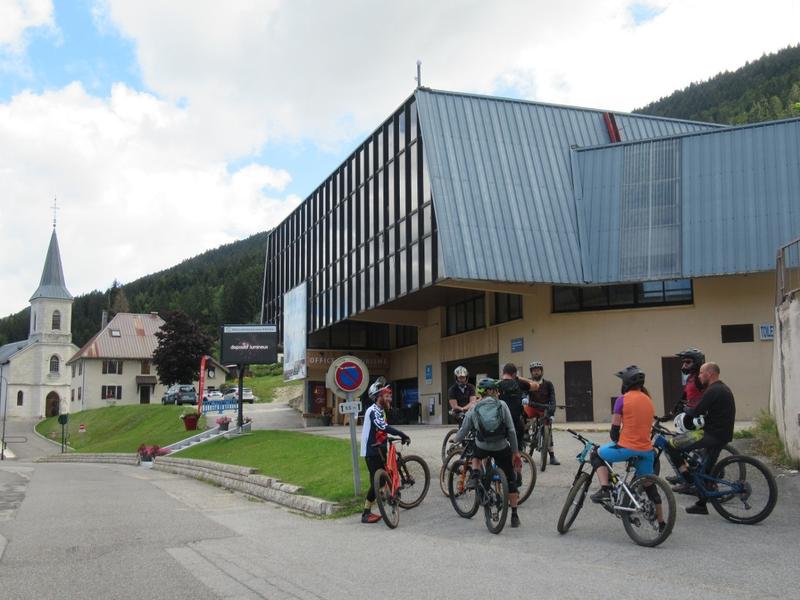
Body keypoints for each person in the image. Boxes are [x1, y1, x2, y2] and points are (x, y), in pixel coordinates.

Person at [589, 366, 667, 532]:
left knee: (596, 454)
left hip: (627, 447)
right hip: (646, 451)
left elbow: (614, 432)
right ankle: (662, 523)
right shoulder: (649, 400)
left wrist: (618, 441)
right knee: (649, 485)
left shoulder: (622, 399)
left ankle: (605, 489)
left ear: (626, 383)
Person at [452, 377, 525, 527]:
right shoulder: (502, 405)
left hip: (483, 446)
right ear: (491, 391)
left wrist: (455, 440)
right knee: (511, 480)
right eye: (496, 390)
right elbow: (511, 430)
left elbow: (464, 430)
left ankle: (475, 475)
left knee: (476, 454)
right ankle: (515, 516)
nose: (498, 393)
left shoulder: (474, 407)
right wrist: (515, 452)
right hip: (501, 447)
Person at [666, 362, 736, 515]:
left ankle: (687, 479)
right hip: (722, 435)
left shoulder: (713, 390)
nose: (699, 376)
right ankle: (701, 504)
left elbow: (696, 410)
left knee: (671, 445)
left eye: (701, 373)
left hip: (710, 435)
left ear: (710, 374)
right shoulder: (723, 388)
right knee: (705, 470)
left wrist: (684, 409)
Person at [359, 378, 411, 523]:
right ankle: (366, 513)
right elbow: (383, 427)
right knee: (376, 483)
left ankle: (386, 496)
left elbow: (380, 431)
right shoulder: (373, 411)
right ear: (377, 397)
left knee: (381, 480)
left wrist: (386, 439)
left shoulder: (381, 410)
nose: (389, 397)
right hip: (372, 451)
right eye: (385, 395)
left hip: (379, 448)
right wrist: (401, 434)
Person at [497, 363, 539, 453]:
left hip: (500, 421)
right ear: (514, 374)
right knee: (519, 436)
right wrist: (520, 378)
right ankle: (518, 453)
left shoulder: (497, 385)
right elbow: (536, 386)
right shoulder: (519, 383)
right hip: (515, 421)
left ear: (503, 373)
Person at [524, 360, 559, 465]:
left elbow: (553, 399)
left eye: (538, 370)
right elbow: (523, 393)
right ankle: (525, 435)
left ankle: (552, 456)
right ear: (531, 372)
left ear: (542, 372)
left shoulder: (548, 384)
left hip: (544, 409)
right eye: (534, 371)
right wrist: (523, 398)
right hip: (532, 407)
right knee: (523, 416)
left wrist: (551, 412)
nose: (536, 372)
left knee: (548, 428)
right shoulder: (528, 383)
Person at [674, 347, 706, 413]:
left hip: (700, 415)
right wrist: (670, 414)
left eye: (688, 362)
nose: (684, 365)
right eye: (683, 362)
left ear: (697, 362)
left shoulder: (701, 378)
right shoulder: (690, 377)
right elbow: (684, 397)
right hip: (691, 412)